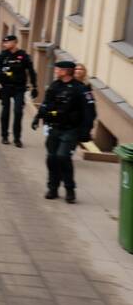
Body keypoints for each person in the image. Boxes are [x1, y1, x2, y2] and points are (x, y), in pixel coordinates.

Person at [32, 60, 87, 203]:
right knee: (52, 158)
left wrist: (85, 131)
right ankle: (53, 188)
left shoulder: (80, 89)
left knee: (63, 157)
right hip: (55, 128)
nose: (56, 71)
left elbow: (89, 112)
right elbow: (46, 103)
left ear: (66, 71)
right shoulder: (55, 86)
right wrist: (37, 117)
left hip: (70, 129)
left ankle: (70, 189)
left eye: (58, 69)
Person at [0, 35, 38, 146]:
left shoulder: (23, 55)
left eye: (7, 42)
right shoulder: (3, 55)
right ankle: (4, 136)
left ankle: (17, 138)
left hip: (19, 88)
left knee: (18, 112)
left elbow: (31, 71)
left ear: (14, 42)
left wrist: (34, 86)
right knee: (5, 112)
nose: (5, 44)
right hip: (6, 87)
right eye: (4, 42)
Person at [73, 63, 96, 143]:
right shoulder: (66, 84)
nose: (78, 71)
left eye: (80, 69)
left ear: (85, 72)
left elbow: (90, 109)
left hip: (78, 123)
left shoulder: (86, 88)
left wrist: (87, 127)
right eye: (76, 69)